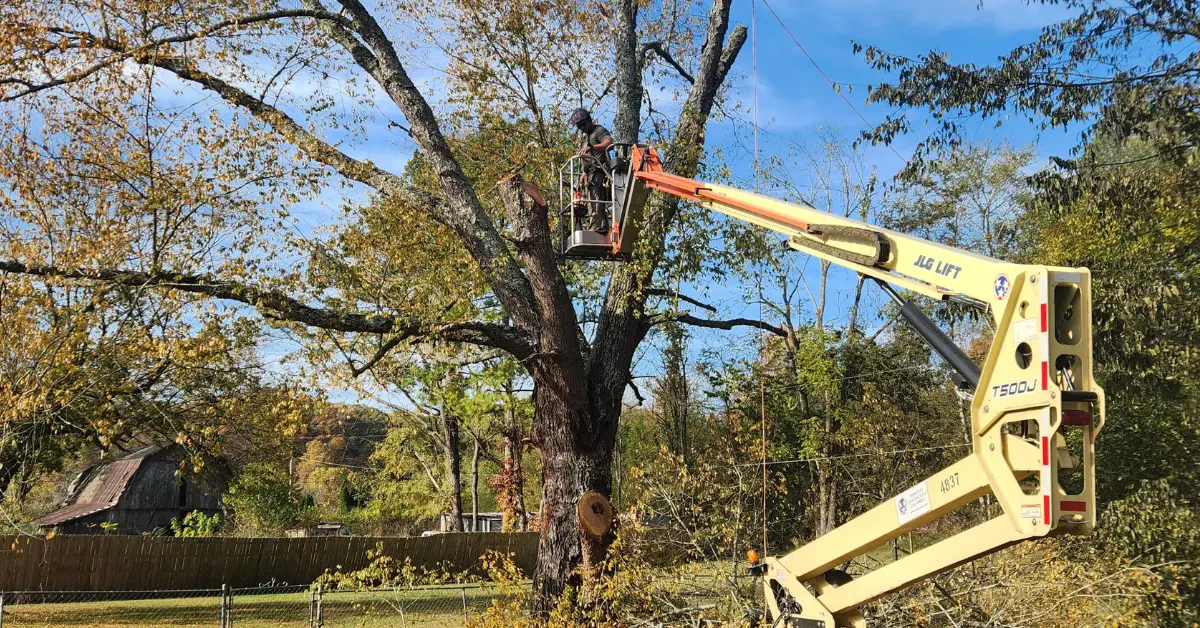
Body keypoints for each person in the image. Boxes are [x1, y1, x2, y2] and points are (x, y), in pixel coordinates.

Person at [568, 107, 614, 233]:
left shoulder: (598, 130)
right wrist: (583, 174)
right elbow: (588, 159)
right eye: (579, 127)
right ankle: (601, 226)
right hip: (589, 173)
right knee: (590, 201)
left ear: (589, 120)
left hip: (599, 172)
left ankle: (597, 228)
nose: (582, 128)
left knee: (595, 200)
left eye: (583, 124)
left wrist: (592, 148)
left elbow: (609, 143)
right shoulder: (585, 138)